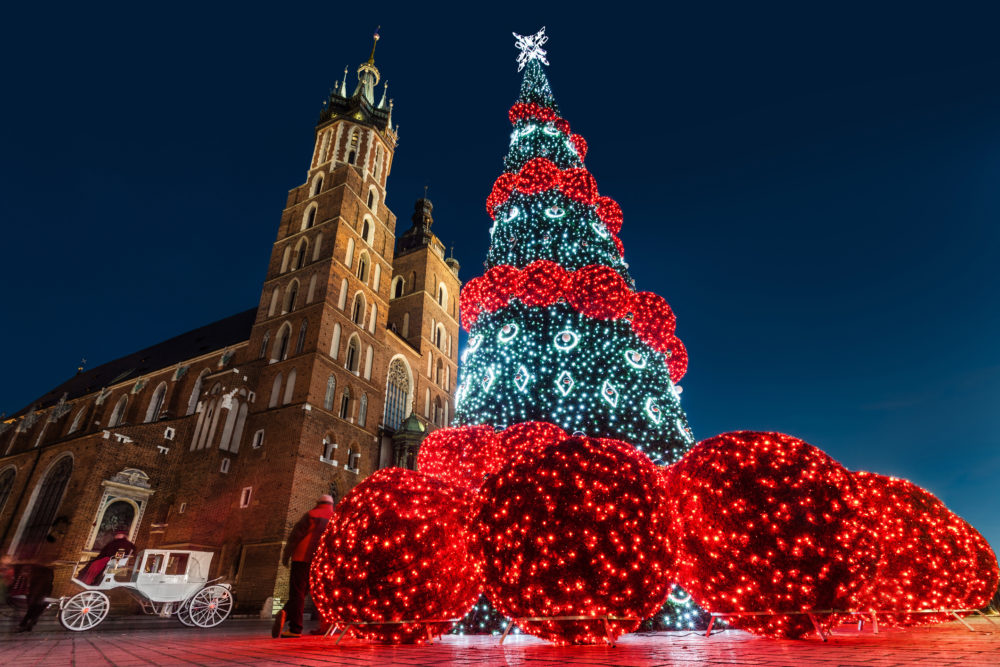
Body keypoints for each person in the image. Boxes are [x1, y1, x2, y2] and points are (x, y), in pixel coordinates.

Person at [272, 494, 335, 638]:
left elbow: (295, 536)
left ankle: (295, 628)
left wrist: (286, 555)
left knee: (297, 592)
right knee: (307, 592)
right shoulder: (334, 518)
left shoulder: (311, 514)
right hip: (320, 561)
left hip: (301, 558)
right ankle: (286, 613)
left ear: (318, 502)